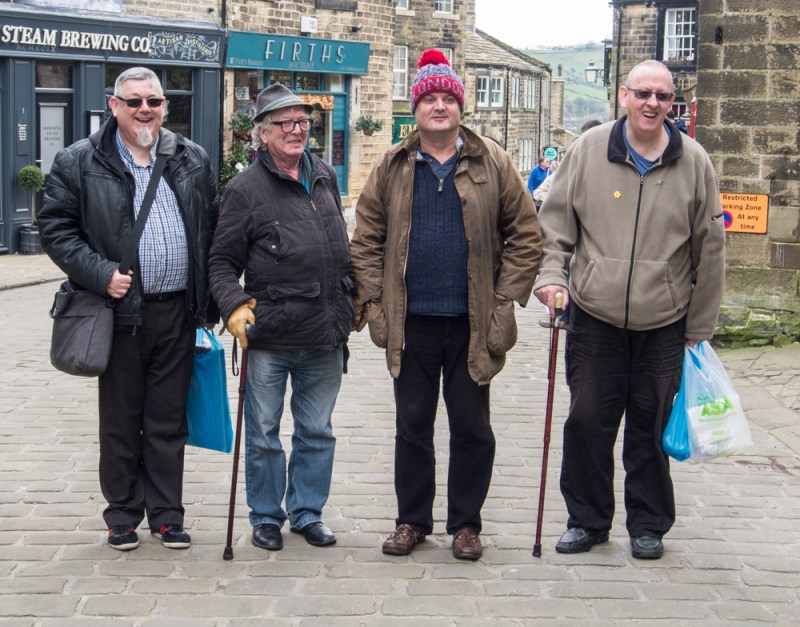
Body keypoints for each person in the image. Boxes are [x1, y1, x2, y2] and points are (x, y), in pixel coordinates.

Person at [350, 49, 542, 561]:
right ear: (415, 108)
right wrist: (375, 299)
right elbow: (365, 238)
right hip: (410, 322)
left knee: (472, 428)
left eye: (447, 98)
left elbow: (526, 234)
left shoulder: (492, 161)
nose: (439, 106)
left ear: (460, 107)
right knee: (412, 425)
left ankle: (466, 525)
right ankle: (411, 521)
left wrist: (504, 298)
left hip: (472, 322)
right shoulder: (392, 164)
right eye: (429, 98)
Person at [532, 60, 725, 560]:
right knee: (587, 421)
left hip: (665, 321)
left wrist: (699, 326)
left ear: (672, 102)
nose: (652, 104)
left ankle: (648, 524)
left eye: (663, 96)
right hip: (594, 316)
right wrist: (552, 276)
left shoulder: (694, 161)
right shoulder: (589, 150)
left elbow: (710, 247)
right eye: (643, 93)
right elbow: (555, 224)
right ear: (624, 95)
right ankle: (588, 520)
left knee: (650, 426)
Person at [38, 66, 219, 551]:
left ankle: (167, 515)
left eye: (153, 101)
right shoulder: (79, 160)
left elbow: (211, 228)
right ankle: (121, 515)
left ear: (164, 106)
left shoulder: (192, 157)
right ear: (114, 105)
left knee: (168, 422)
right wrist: (99, 272)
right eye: (134, 100)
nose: (145, 109)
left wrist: (210, 302)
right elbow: (54, 227)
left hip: (178, 313)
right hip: (117, 315)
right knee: (121, 421)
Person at [208, 83, 353, 552]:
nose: (296, 130)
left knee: (317, 431)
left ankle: (307, 512)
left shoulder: (324, 174)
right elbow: (221, 262)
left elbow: (340, 249)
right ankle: (267, 516)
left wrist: (352, 300)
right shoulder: (244, 189)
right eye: (284, 123)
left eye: (302, 122)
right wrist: (233, 304)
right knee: (264, 435)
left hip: (324, 334)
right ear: (264, 133)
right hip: (270, 335)